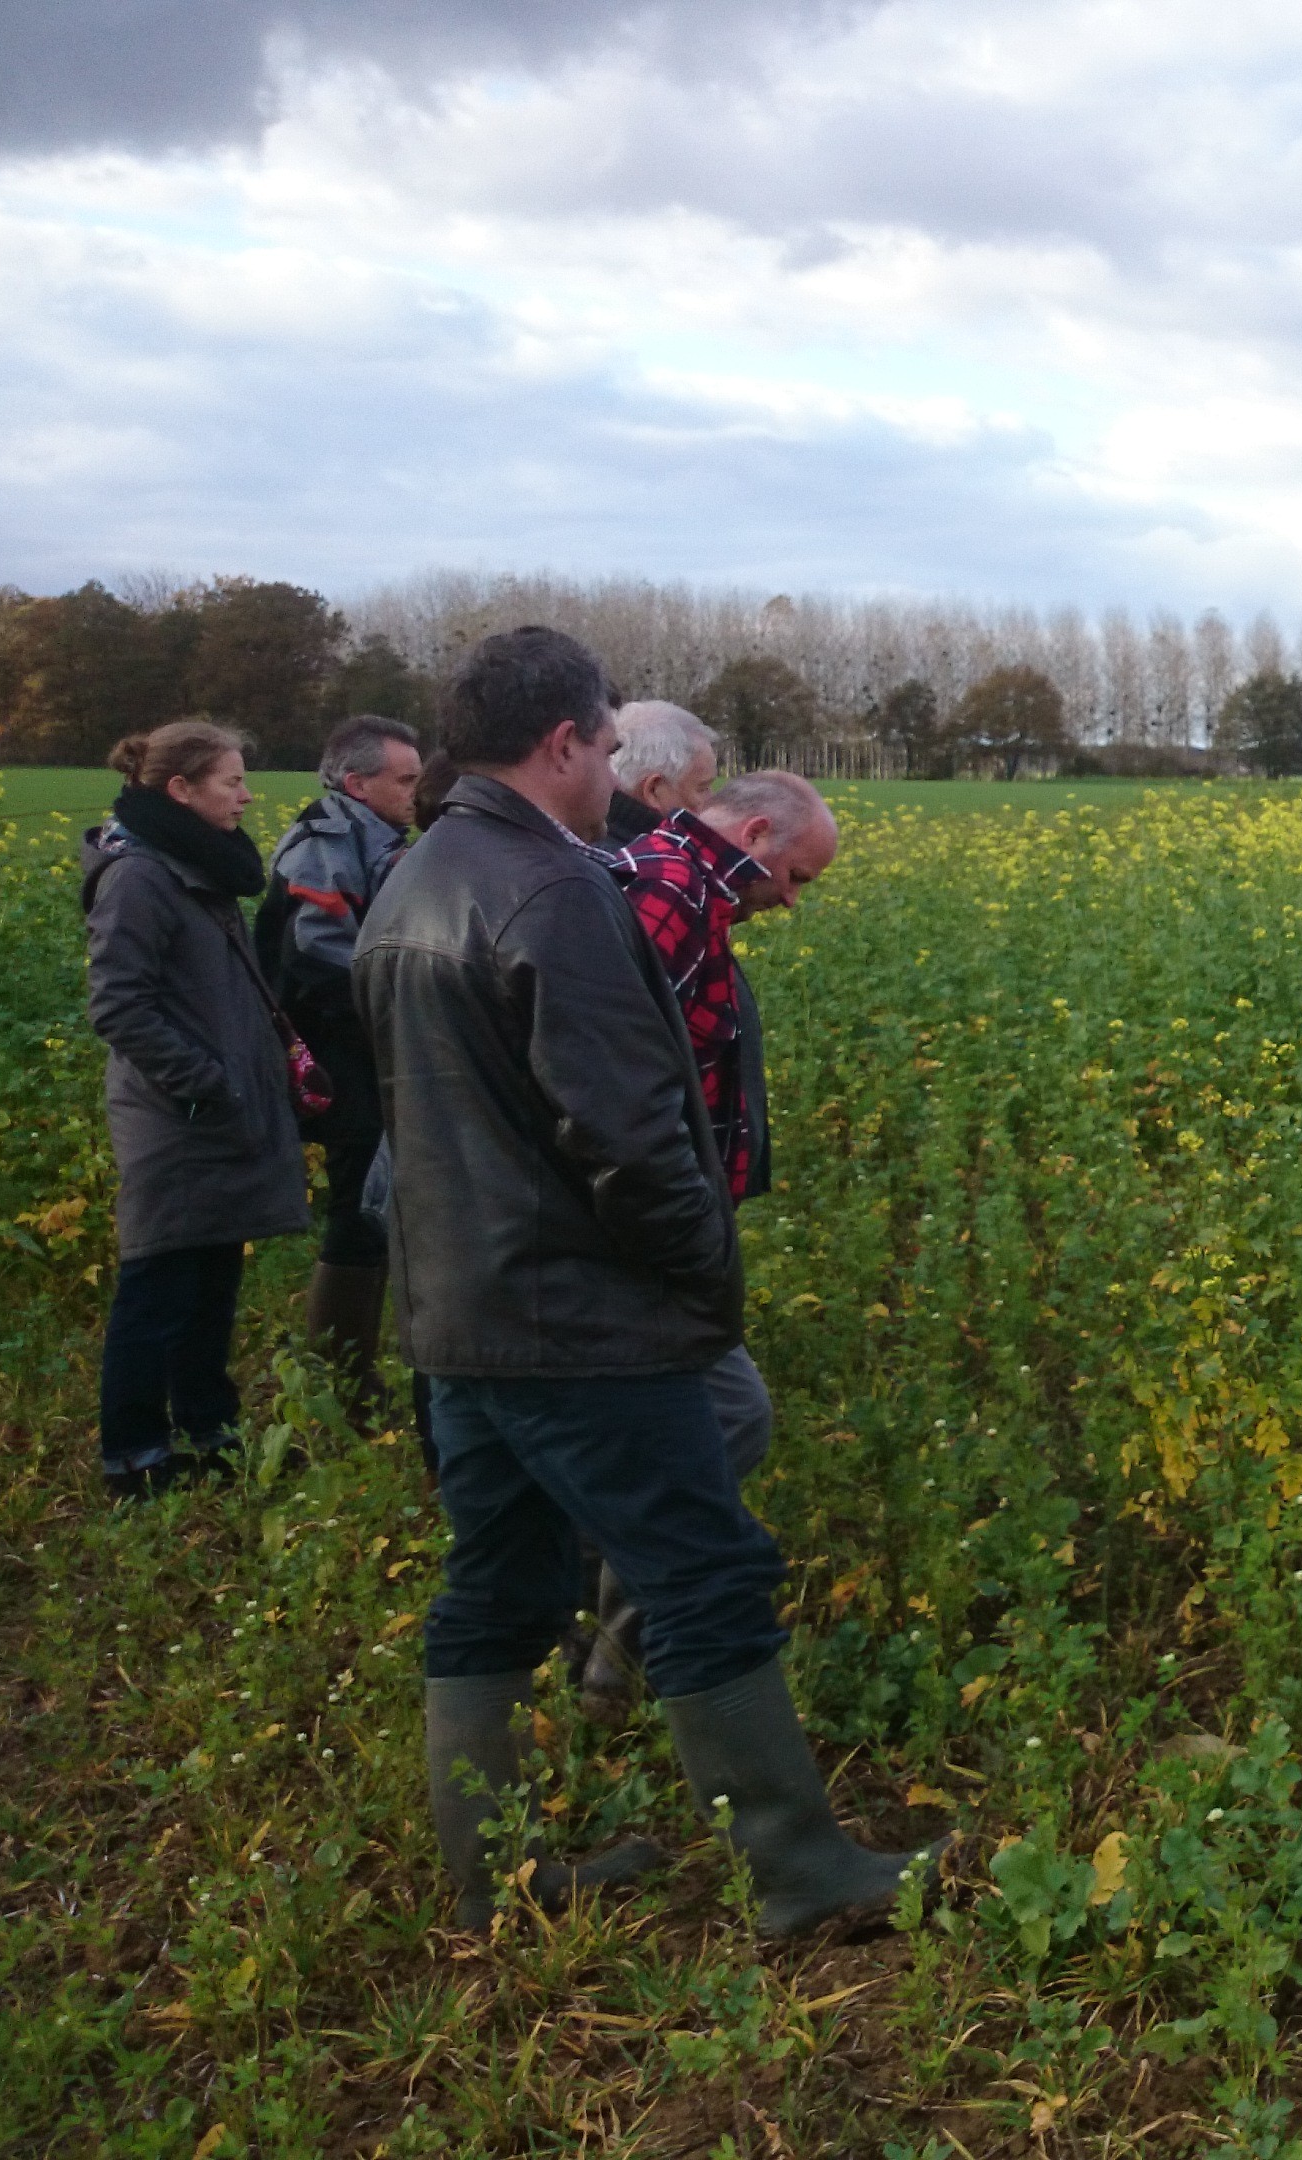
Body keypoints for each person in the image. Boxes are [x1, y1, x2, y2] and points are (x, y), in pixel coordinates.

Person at [363, 626, 932, 1937]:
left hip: (459, 1306)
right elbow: (626, 1134)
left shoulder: (421, 875)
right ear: (563, 741)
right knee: (705, 1573)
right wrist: (701, 1285)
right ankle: (802, 1874)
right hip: (581, 1314)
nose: (616, 772)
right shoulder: (555, 896)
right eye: (609, 745)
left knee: (499, 1581)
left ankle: (490, 1878)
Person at [579, 769, 841, 1712]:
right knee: (726, 1421)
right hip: (641, 1233)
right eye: (797, 878)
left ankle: (614, 1640)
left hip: (656, 1223)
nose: (794, 902)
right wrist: (680, 1238)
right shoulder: (668, 894)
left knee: (684, 1429)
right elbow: (613, 1093)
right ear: (760, 833)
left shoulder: (684, 884)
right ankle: (633, 1648)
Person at [81, 722, 312, 1500]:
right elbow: (118, 1005)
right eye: (231, 782)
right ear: (180, 790)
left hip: (212, 1110)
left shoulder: (192, 866)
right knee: (158, 1288)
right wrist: (206, 1080)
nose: (247, 796)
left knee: (211, 1279)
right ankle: (135, 1457)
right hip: (176, 1118)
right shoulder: (140, 878)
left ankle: (211, 1432)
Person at [261, 713, 422, 1414]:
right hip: (341, 1051)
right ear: (358, 782)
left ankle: (351, 1368)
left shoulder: (372, 835)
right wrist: (411, 997)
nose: (417, 791)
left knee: (376, 1196)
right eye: (406, 778)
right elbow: (319, 955)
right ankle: (343, 1379)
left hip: (364, 1044)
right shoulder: (326, 841)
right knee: (361, 1201)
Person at [605, 699, 724, 845]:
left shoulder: (585, 840)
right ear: (654, 791)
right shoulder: (652, 864)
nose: (711, 801)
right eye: (702, 788)